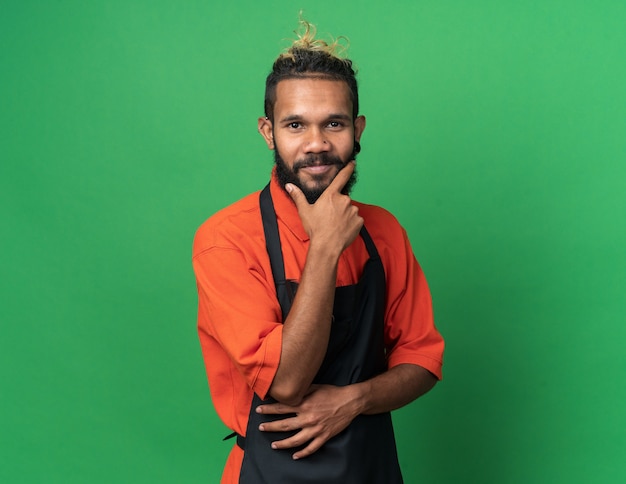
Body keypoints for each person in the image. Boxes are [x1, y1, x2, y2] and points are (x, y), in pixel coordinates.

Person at [193, 19, 444, 483]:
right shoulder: (225, 240)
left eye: (334, 123)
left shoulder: (383, 231)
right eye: (295, 125)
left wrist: (354, 401)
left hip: (371, 470)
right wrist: (326, 247)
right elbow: (285, 383)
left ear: (358, 128)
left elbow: (422, 360)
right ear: (268, 132)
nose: (317, 144)